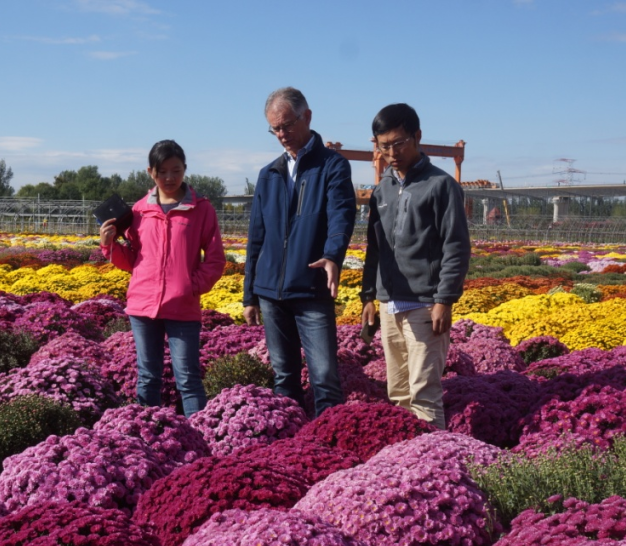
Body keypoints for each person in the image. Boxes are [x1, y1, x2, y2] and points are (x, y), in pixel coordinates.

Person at [243, 87, 357, 417]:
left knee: (324, 378)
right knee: (284, 378)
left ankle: (331, 446)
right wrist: (250, 294)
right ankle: (292, 447)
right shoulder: (269, 174)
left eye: (287, 125)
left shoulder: (332, 166)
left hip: (310, 287)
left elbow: (341, 215)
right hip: (270, 293)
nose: (281, 134)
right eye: (275, 128)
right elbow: (256, 238)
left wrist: (333, 254)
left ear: (307, 117)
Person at [360, 103, 471, 428]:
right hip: (389, 304)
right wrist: (369, 295)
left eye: (399, 143)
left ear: (417, 136)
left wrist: (444, 299)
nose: (392, 152)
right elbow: (375, 248)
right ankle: (407, 468)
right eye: (384, 146)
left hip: (425, 306)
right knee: (398, 394)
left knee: (423, 393)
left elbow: (456, 246)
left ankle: (435, 467)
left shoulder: (441, 186)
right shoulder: (382, 189)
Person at [100, 139, 225, 417]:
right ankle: (149, 437)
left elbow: (215, 259)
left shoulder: (201, 209)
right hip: (143, 306)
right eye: (162, 171)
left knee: (189, 380)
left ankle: (200, 440)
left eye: (176, 170)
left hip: (182, 307)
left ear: (185, 170)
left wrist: (191, 286)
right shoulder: (138, 212)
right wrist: (110, 245)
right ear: (150, 172)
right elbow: (133, 261)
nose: (169, 177)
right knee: (147, 377)